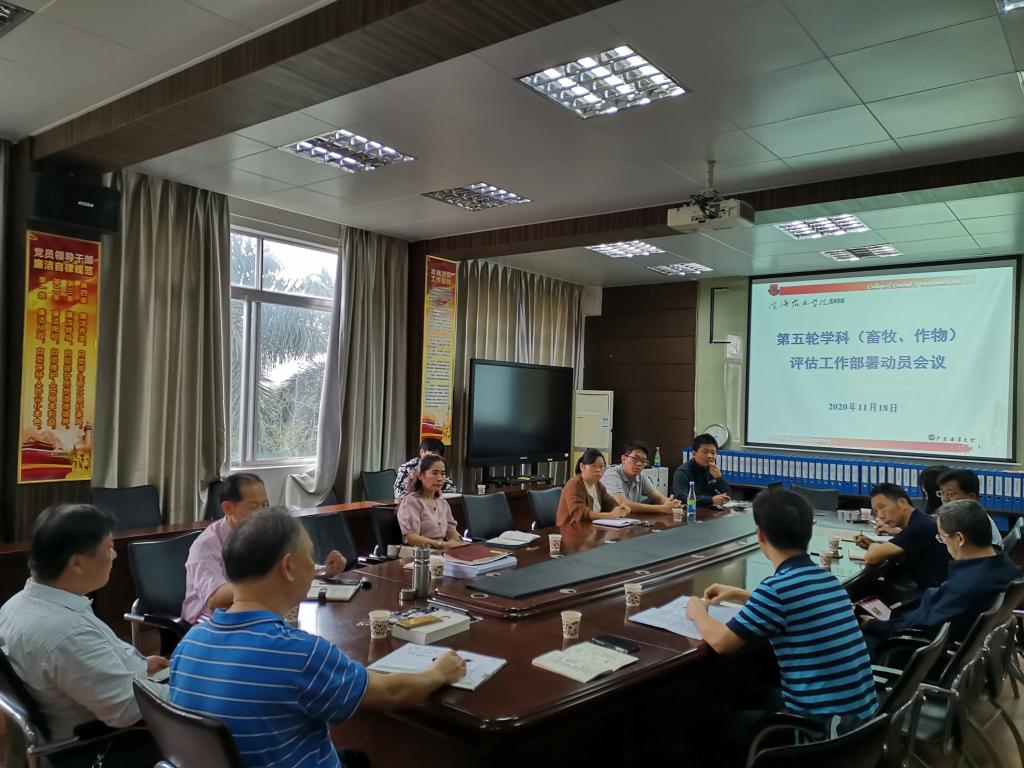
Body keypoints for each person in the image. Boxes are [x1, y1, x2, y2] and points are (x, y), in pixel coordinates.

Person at [170, 508, 465, 768]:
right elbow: (390, 693)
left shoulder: (188, 644)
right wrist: (438, 673)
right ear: (287, 567)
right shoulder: (300, 653)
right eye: (311, 557)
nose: (314, 567)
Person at [685, 490, 877, 763]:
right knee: (748, 695)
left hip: (823, 733)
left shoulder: (777, 589)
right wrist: (741, 595)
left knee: (706, 730)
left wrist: (696, 611)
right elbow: (797, 605)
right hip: (862, 725)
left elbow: (721, 642)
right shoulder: (827, 579)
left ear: (760, 535)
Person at [0, 504, 165, 766]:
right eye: (109, 548)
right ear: (77, 563)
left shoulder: (18, 604)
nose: (114, 555)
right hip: (101, 744)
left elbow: (89, 662)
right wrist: (191, 688)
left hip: (90, 713)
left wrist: (142, 665)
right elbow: (126, 710)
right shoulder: (65, 632)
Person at [183, 473, 346, 624]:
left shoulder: (264, 534)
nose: (262, 513)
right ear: (227, 508)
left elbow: (286, 568)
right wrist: (267, 585)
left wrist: (324, 570)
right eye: (254, 506)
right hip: (210, 623)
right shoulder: (205, 545)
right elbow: (215, 599)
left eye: (265, 505)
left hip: (255, 615)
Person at [862, 500, 1020, 644]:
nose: (943, 543)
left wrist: (872, 625)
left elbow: (921, 627)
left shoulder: (966, 587)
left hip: (912, 647)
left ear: (959, 539)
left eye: (942, 537)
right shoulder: (1006, 565)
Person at [854, 483, 951, 591]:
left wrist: (873, 546)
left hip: (935, 595)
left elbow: (871, 558)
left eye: (882, 507)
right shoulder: (921, 520)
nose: (880, 515)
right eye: (876, 511)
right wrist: (876, 546)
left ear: (902, 503)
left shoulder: (919, 526)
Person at [396, 454, 464, 549]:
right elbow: (412, 538)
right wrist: (442, 545)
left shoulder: (442, 503)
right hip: (419, 554)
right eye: (434, 473)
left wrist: (459, 542)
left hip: (440, 553)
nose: (439, 478)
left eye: (442, 474)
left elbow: (452, 533)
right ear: (420, 475)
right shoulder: (411, 502)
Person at [602, 440, 681, 515]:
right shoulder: (612, 475)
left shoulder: (640, 476)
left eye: (643, 461)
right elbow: (623, 504)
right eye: (635, 459)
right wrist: (662, 508)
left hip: (628, 520)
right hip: (605, 521)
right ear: (624, 459)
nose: (639, 464)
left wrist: (672, 504)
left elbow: (660, 498)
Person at [555, 448, 631, 525]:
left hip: (591, 527)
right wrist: (610, 515)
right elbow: (580, 514)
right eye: (593, 466)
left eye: (602, 466)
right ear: (582, 466)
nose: (598, 470)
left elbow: (610, 503)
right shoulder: (575, 484)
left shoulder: (597, 484)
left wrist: (620, 509)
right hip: (571, 528)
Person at [938, 468, 1003, 548]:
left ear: (971, 497)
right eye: (942, 493)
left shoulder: (974, 521)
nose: (944, 498)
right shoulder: (962, 516)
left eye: (950, 494)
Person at [671, 434, 731, 506]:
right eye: (705, 452)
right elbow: (681, 497)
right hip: (690, 510)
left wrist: (719, 478)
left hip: (711, 510)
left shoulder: (713, 470)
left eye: (713, 453)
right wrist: (711, 500)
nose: (710, 456)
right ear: (694, 454)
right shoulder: (683, 472)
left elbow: (727, 496)